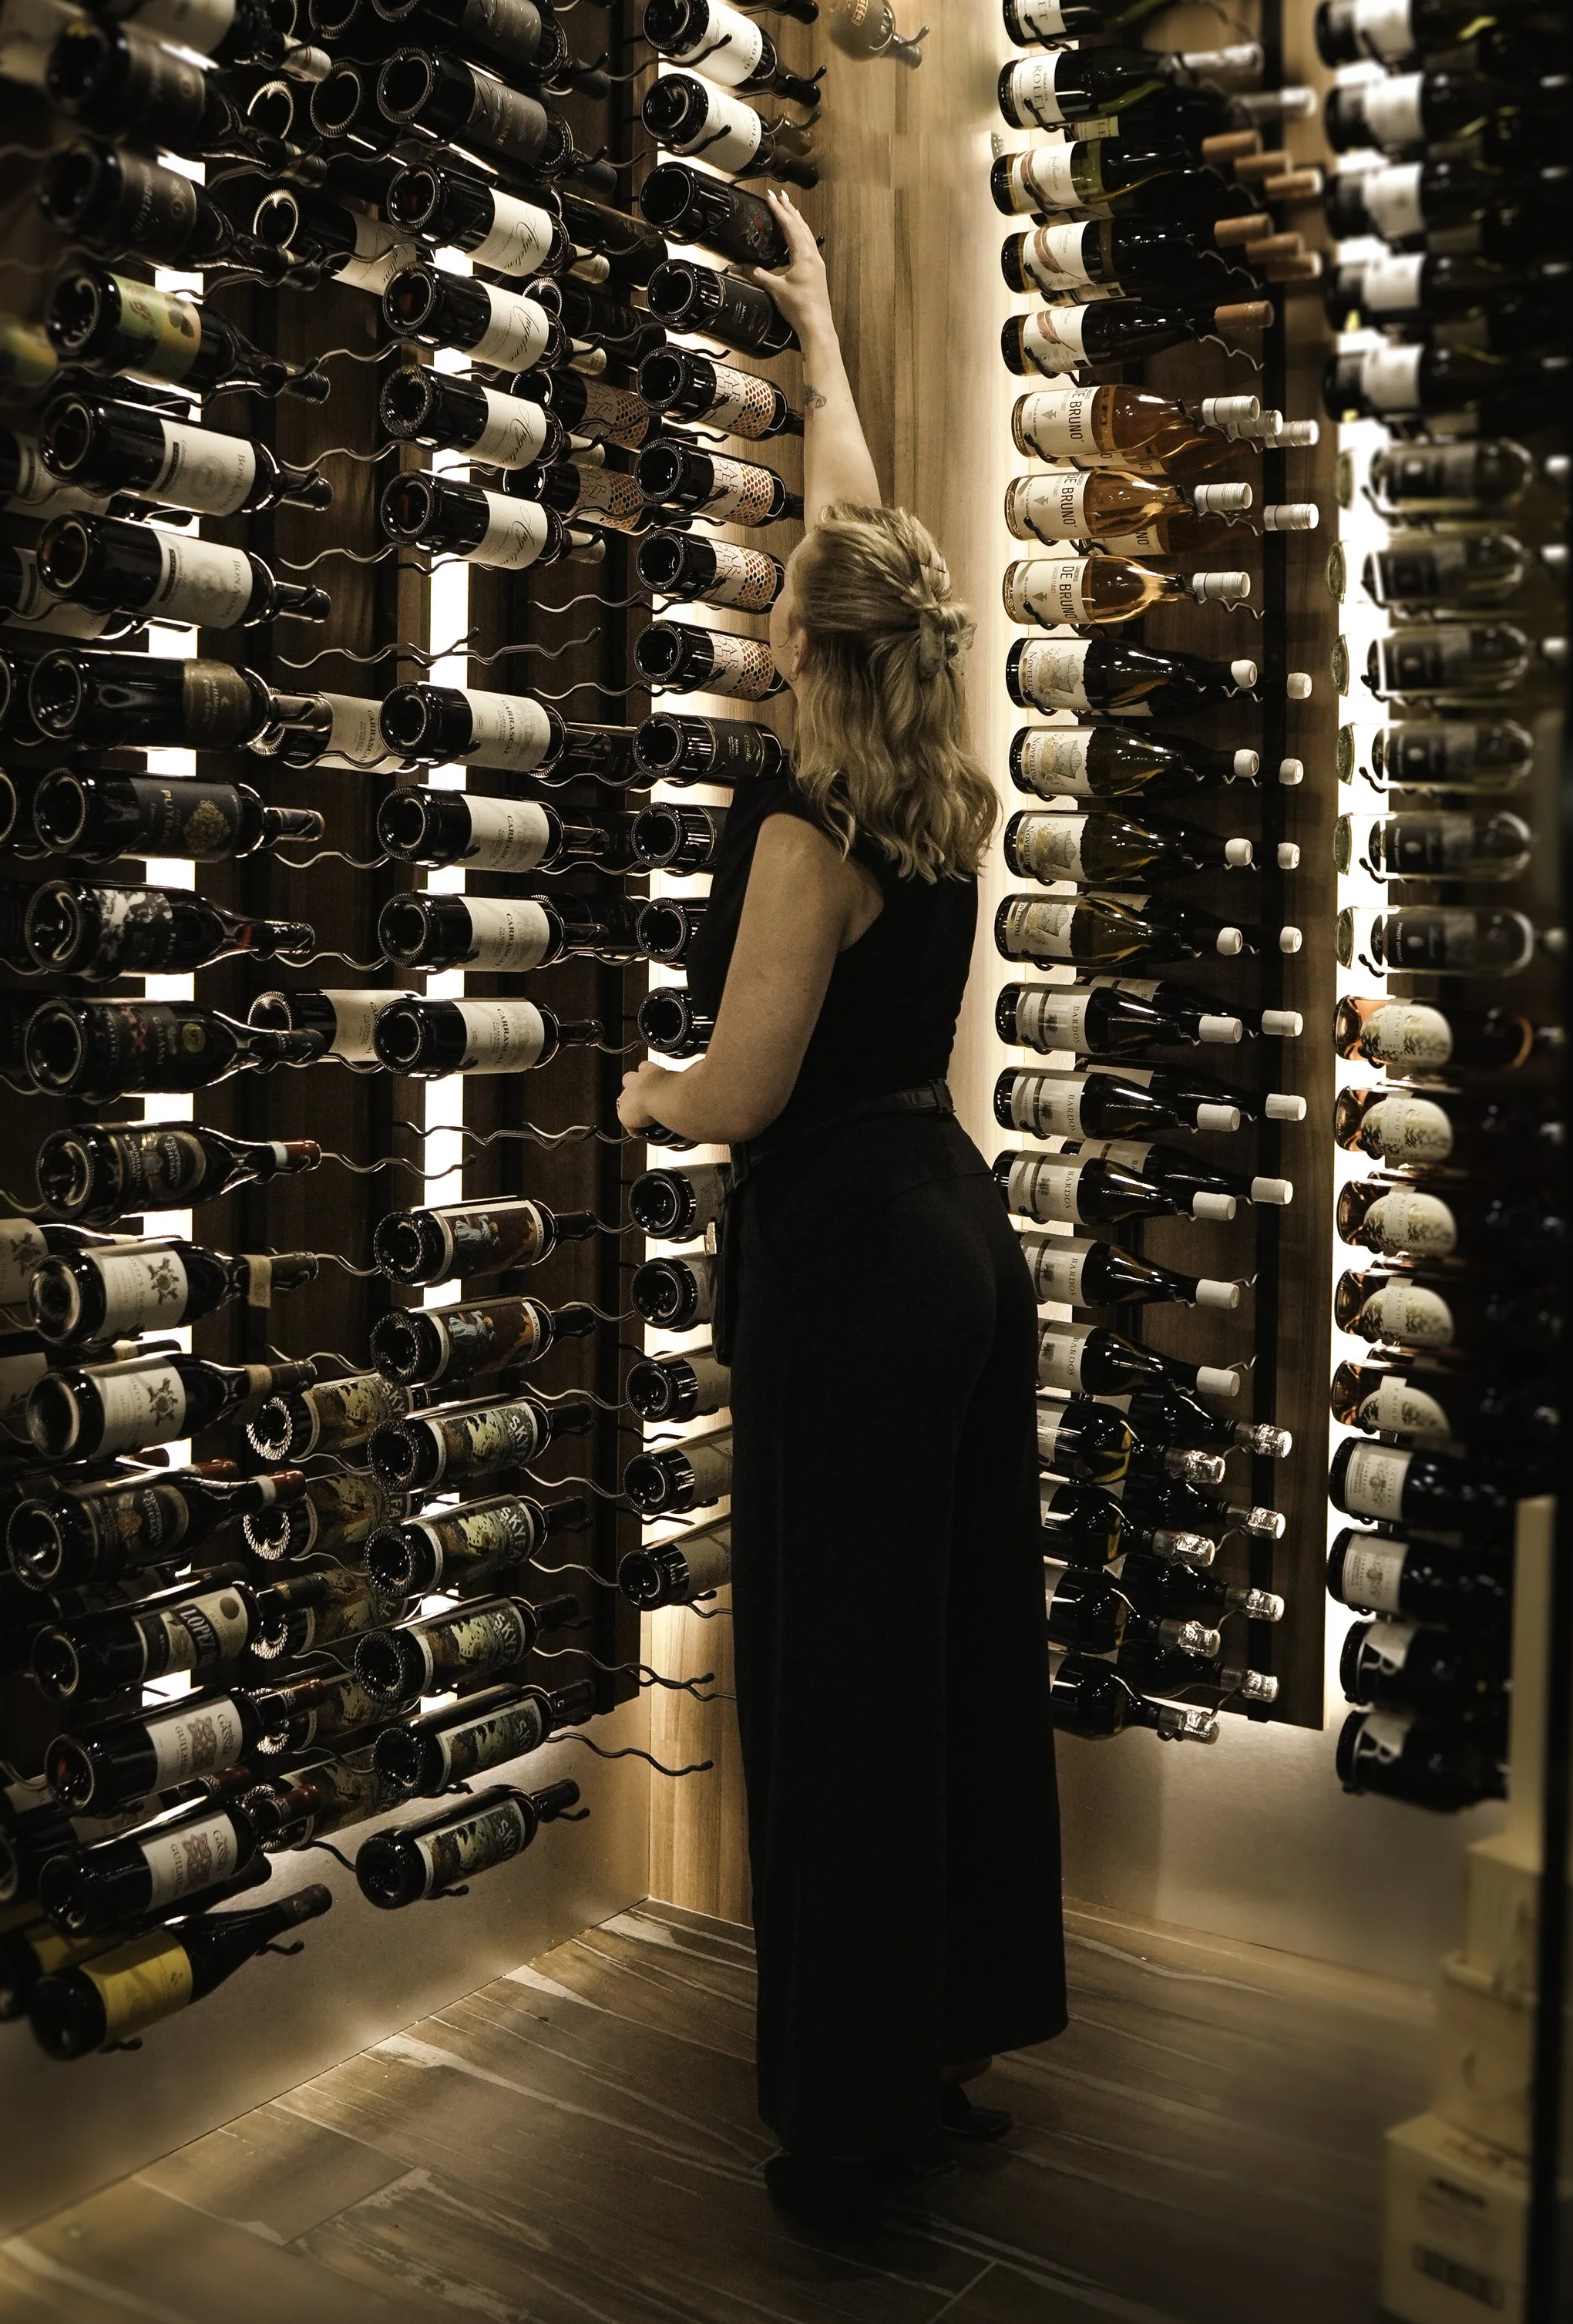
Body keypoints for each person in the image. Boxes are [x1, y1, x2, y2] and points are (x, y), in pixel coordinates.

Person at [617, 187, 1067, 2230]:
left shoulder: (807, 830)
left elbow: (743, 1088)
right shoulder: (937, 774)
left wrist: (644, 1087)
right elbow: (860, 522)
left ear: (801, 640)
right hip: (953, 1228)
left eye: (785, 603)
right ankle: (945, 2044)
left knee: (838, 1695)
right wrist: (813, 323)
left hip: (851, 1258)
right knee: (952, 1655)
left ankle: (848, 2128)